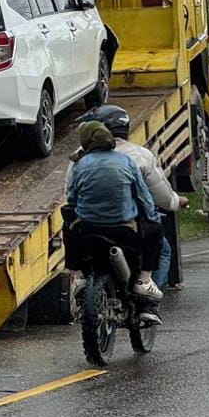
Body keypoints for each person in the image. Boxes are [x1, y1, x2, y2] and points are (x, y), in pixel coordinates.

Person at [64, 121, 164, 323]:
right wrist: (152, 219)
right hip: (124, 232)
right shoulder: (126, 161)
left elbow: (71, 199)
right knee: (156, 229)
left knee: (67, 223)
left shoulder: (79, 164)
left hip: (88, 232)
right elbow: (144, 198)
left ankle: (79, 275)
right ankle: (144, 280)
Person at [81, 105, 189, 290]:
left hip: (90, 226)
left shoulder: (81, 158)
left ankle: (79, 279)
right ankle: (148, 297)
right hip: (129, 227)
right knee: (163, 251)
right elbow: (163, 198)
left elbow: (70, 193)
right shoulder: (140, 156)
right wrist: (176, 201)